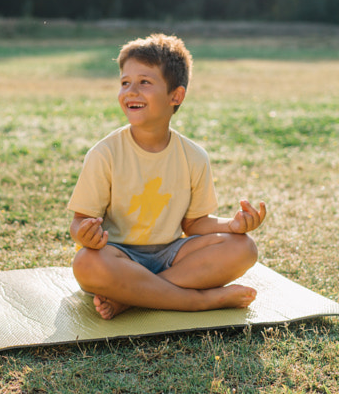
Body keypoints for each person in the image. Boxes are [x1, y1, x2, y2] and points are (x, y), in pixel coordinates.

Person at [68, 33, 266, 320]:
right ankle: (201, 301)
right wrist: (86, 234)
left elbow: (194, 223)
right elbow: (78, 223)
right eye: (125, 83)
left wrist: (233, 224)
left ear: (176, 95)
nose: (131, 91)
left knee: (243, 247)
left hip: (173, 256)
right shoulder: (104, 154)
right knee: (86, 263)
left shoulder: (194, 156)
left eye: (144, 82)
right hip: (119, 256)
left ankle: (133, 298)